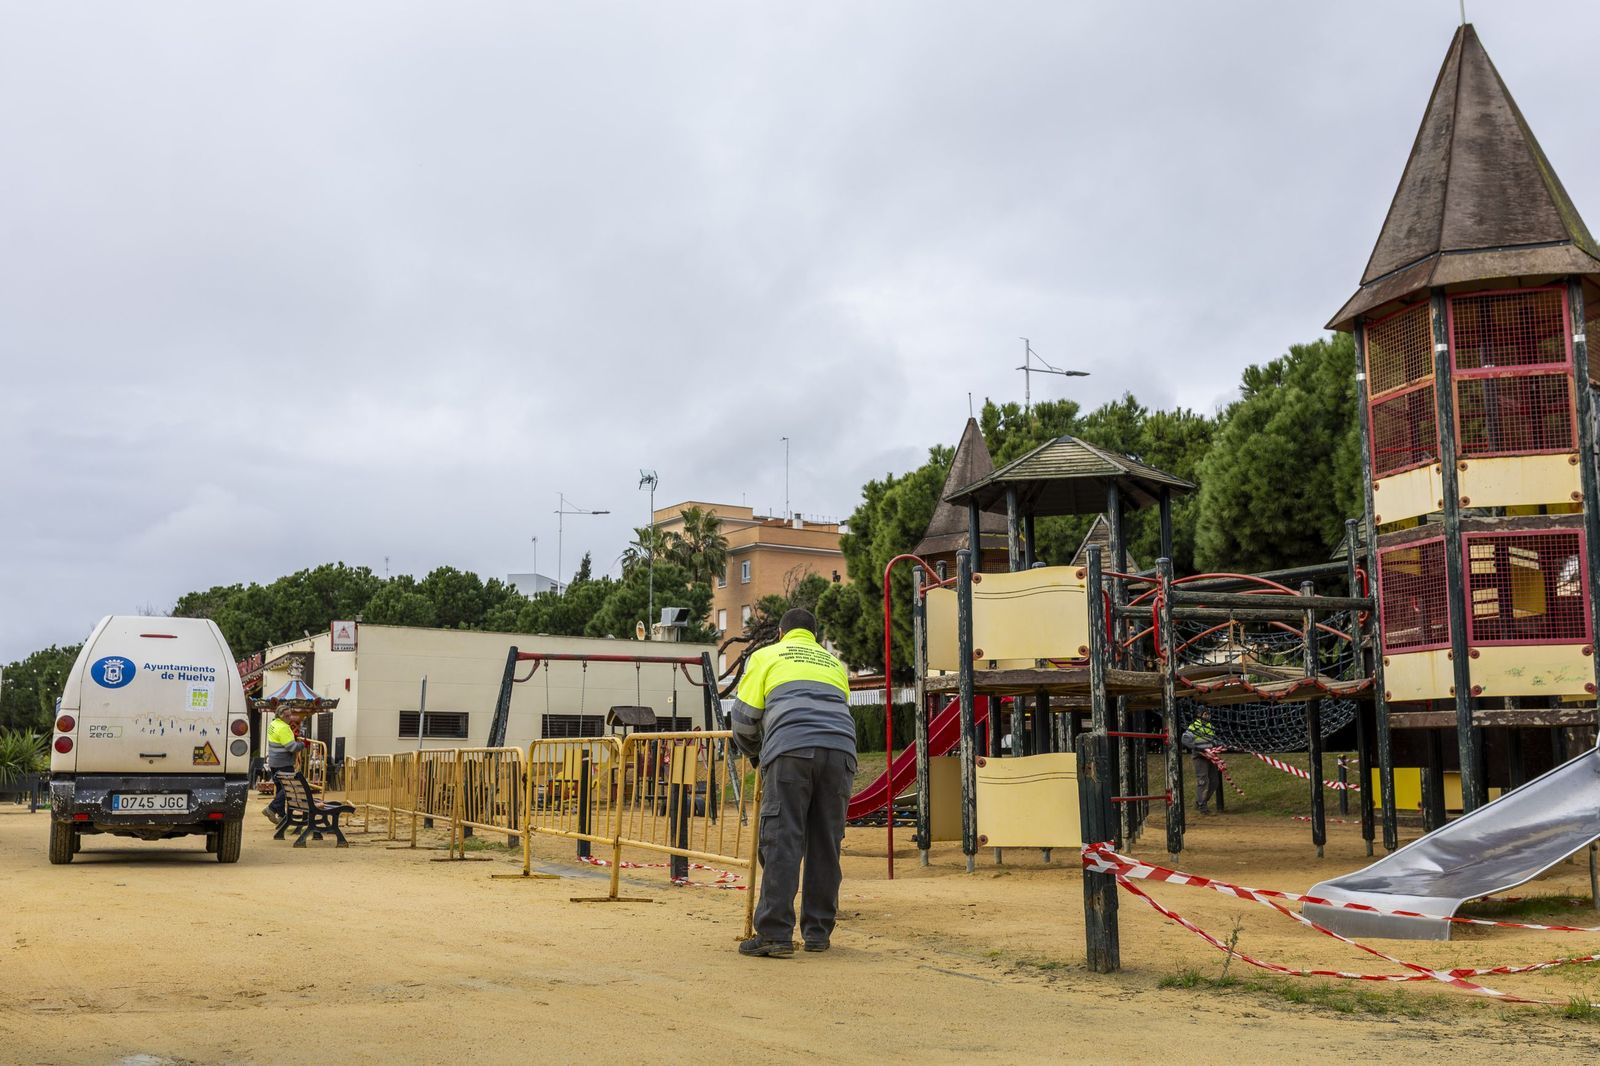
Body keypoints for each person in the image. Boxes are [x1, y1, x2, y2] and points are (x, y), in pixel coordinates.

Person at [730, 608, 857, 958]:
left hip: (791, 750)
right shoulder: (833, 664)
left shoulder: (766, 656)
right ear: (814, 636)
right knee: (825, 843)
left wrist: (758, 755)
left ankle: (774, 934)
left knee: (782, 839)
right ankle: (817, 933)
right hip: (841, 751)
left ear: (782, 633)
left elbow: (743, 721)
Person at [263, 708, 305, 822]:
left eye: (290, 715)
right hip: (284, 763)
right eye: (287, 716)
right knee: (289, 788)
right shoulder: (283, 728)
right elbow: (291, 747)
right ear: (280, 716)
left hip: (274, 762)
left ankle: (281, 815)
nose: (289, 718)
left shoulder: (273, 724)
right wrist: (302, 744)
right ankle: (271, 808)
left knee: (281, 787)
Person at [1181, 710, 1221, 815]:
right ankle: (1202, 806)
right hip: (1199, 756)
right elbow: (1184, 740)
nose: (1207, 716)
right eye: (1205, 714)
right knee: (1203, 780)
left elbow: (1214, 740)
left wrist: (1217, 744)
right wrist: (1197, 748)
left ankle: (1201, 802)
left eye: (1208, 714)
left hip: (1210, 756)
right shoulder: (1194, 727)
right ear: (1199, 715)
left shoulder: (1210, 727)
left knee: (1214, 781)